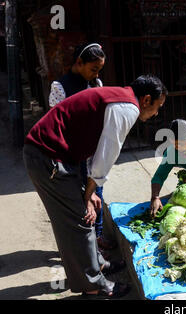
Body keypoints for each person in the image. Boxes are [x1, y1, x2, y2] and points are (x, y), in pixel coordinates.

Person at [23, 74, 167, 297]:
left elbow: (93, 147)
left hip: (57, 155)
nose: (156, 113)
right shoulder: (127, 108)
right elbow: (105, 158)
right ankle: (93, 286)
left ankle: (97, 265)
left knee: (87, 215)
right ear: (146, 99)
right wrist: (89, 193)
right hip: (47, 157)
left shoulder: (120, 98)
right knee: (77, 221)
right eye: (158, 107)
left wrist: (88, 192)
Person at [49, 43, 115, 255]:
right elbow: (57, 122)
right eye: (93, 69)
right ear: (79, 63)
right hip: (72, 154)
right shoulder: (60, 87)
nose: (96, 74)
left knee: (97, 194)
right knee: (80, 203)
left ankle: (97, 237)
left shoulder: (95, 83)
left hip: (93, 152)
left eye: (99, 70)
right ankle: (86, 249)